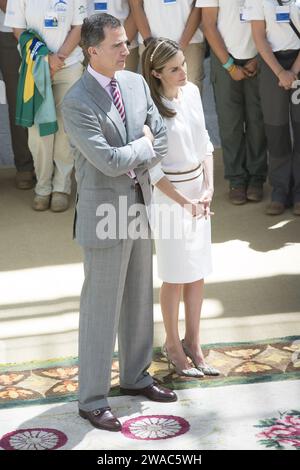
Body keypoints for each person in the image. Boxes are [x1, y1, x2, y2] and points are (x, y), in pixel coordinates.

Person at [61, 13, 177, 432]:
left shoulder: (136, 82)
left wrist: (142, 147)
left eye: (127, 42)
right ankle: (91, 398)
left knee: (136, 300)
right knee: (101, 308)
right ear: (92, 50)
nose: (127, 50)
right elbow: (107, 162)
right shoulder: (76, 101)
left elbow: (160, 136)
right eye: (117, 44)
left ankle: (136, 377)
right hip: (103, 214)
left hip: (139, 206)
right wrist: (142, 145)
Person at [142, 38, 220, 378]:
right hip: (169, 197)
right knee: (175, 274)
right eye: (174, 69)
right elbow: (153, 170)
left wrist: (209, 187)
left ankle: (194, 341)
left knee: (198, 269)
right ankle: (172, 344)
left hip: (197, 191)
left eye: (184, 64)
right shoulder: (151, 108)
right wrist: (184, 201)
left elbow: (204, 141)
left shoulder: (192, 93)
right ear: (156, 73)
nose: (183, 72)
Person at [5, 0, 86, 212]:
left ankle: (61, 187)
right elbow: (18, 30)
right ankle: (43, 187)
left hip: (68, 66)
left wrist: (58, 58)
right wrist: (45, 58)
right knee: (38, 131)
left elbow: (79, 27)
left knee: (65, 129)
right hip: (34, 68)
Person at [197, 0, 268, 205]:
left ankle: (257, 178)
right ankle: (236, 179)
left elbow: (270, 23)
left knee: (257, 121)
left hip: (258, 58)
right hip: (224, 62)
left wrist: (258, 58)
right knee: (230, 124)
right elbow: (208, 24)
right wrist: (229, 65)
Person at [247, 0, 300, 216]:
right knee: (276, 129)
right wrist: (280, 72)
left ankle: (299, 193)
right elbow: (259, 36)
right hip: (272, 66)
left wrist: (293, 72)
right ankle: (280, 191)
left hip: (298, 62)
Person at [129, 0, 205, 93]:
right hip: (151, 41)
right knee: (154, 94)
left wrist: (182, 45)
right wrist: (149, 41)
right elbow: (135, 4)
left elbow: (199, 4)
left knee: (190, 92)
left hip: (190, 42)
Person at [0, 0, 34, 189]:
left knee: (42, 101)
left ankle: (44, 168)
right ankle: (25, 166)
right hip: (11, 33)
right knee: (17, 101)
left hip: (46, 31)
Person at [86, 0, 139, 72]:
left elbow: (136, 8)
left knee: (124, 81)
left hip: (127, 43)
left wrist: (121, 44)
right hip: (90, 45)